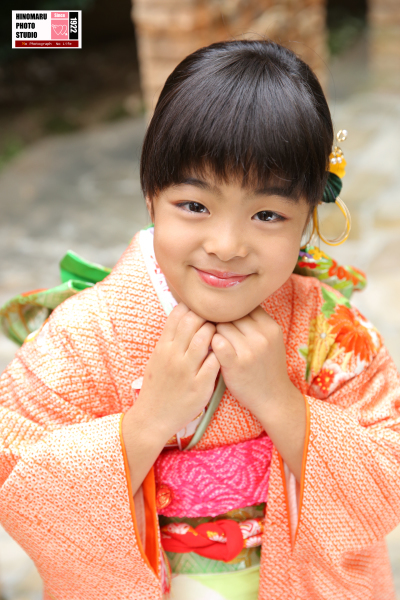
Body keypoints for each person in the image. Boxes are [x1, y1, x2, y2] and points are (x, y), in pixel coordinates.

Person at [0, 39, 399, 600]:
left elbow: (388, 480)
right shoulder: (88, 332)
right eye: (194, 205)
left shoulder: (329, 332)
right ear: (151, 195)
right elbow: (13, 474)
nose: (227, 244)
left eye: (267, 214)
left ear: (307, 219)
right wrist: (148, 421)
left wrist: (281, 401)